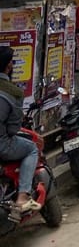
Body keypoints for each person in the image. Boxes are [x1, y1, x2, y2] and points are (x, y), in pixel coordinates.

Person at [0, 47, 41, 212]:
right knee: (32, 149)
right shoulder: (14, 92)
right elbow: (12, 129)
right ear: (9, 65)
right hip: (2, 145)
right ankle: (22, 197)